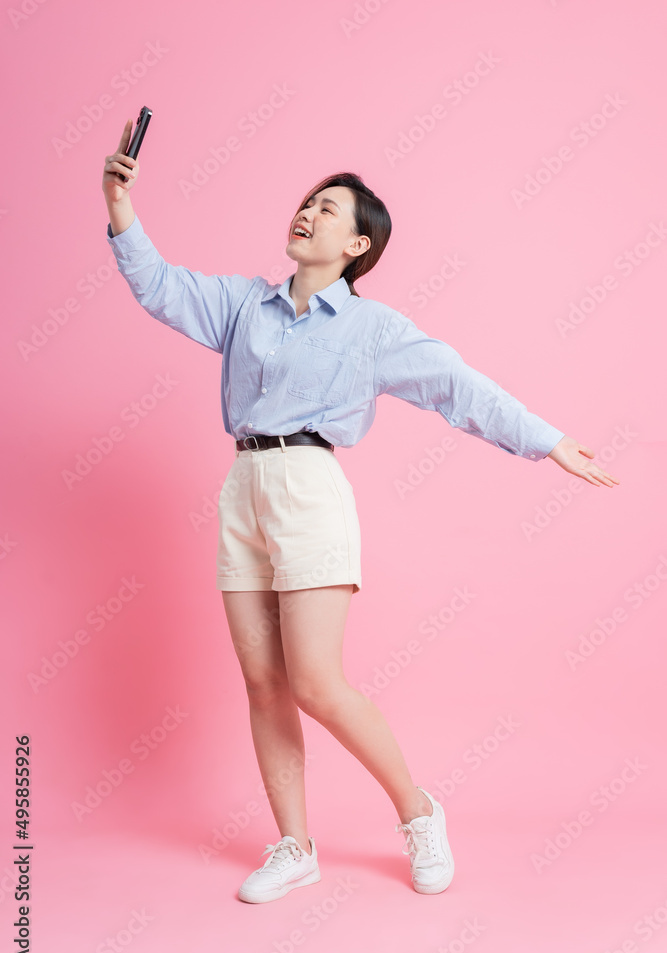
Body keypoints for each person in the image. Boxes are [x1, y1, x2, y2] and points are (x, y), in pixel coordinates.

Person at [102, 119, 619, 904]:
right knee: (262, 684)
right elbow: (160, 287)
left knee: (314, 680)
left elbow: (459, 387)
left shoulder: (373, 330)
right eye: (309, 199)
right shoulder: (245, 304)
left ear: (357, 246)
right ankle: (294, 845)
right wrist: (119, 204)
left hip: (309, 487)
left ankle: (417, 812)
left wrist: (547, 441)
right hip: (242, 487)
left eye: (330, 208)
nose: (308, 210)